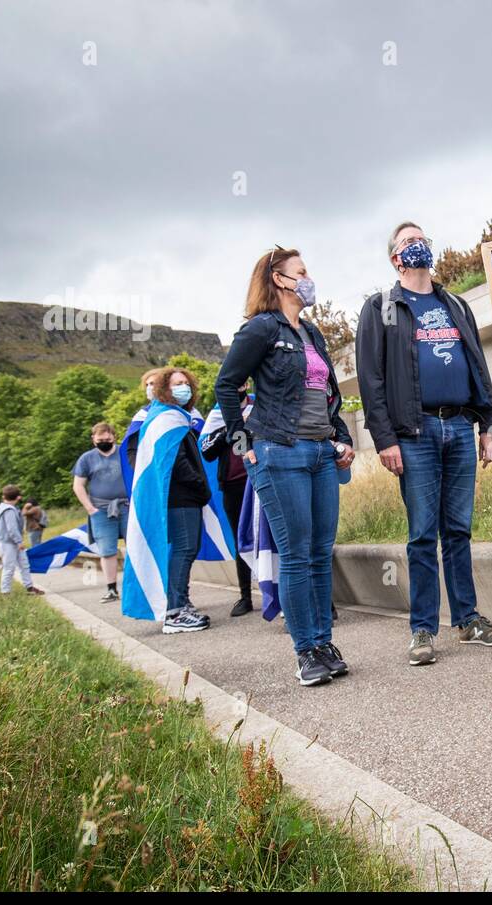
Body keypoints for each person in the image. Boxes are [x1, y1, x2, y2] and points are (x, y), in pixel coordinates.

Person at [356, 222, 492, 667]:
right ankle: (422, 630)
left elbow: (477, 365)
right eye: (408, 242)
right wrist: (385, 439)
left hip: (459, 427)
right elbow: (371, 379)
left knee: (458, 530)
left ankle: (467, 620)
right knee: (423, 534)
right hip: (415, 434)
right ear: (395, 259)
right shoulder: (381, 307)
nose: (417, 245)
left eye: (421, 239)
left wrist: (488, 424)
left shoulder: (455, 303)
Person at [214, 247, 355, 686]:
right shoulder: (260, 329)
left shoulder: (311, 333)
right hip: (278, 451)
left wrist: (342, 438)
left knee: (318, 552)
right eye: (302, 272)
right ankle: (305, 652)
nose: (309, 278)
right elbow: (226, 384)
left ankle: (324, 642)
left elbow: (328, 395)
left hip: (318, 452)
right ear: (279, 279)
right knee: (295, 554)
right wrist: (243, 442)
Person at [122, 368, 213, 633]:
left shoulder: (176, 417)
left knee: (186, 549)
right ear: (164, 389)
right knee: (184, 549)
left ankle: (180, 603)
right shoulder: (166, 419)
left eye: (186, 383)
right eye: (176, 384)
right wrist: (199, 485)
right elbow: (175, 462)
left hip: (185, 496)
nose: (183, 388)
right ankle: (175, 611)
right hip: (181, 496)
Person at [200, 381, 256, 617]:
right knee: (240, 537)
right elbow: (207, 451)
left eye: (242, 380)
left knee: (272, 535)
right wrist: (229, 430)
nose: (238, 385)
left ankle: (277, 591)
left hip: (260, 478)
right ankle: (245, 596)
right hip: (233, 484)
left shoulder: (260, 404)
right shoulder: (216, 414)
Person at [72, 422, 129, 603]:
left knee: (135, 546)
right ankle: (111, 588)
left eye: (107, 438)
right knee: (107, 550)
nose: (104, 441)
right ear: (93, 439)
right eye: (100, 439)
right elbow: (78, 485)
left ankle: (134, 585)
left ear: (113, 436)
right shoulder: (87, 459)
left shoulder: (124, 453)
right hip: (101, 510)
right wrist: (90, 508)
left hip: (127, 506)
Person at [0, 484, 43, 596]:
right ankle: (5, 592)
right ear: (18, 497)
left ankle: (29, 587)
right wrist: (19, 542)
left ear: (3, 496)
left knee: (24, 564)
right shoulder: (8, 510)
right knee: (9, 567)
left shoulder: (7, 508)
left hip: (11, 541)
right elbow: (12, 529)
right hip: (7, 542)